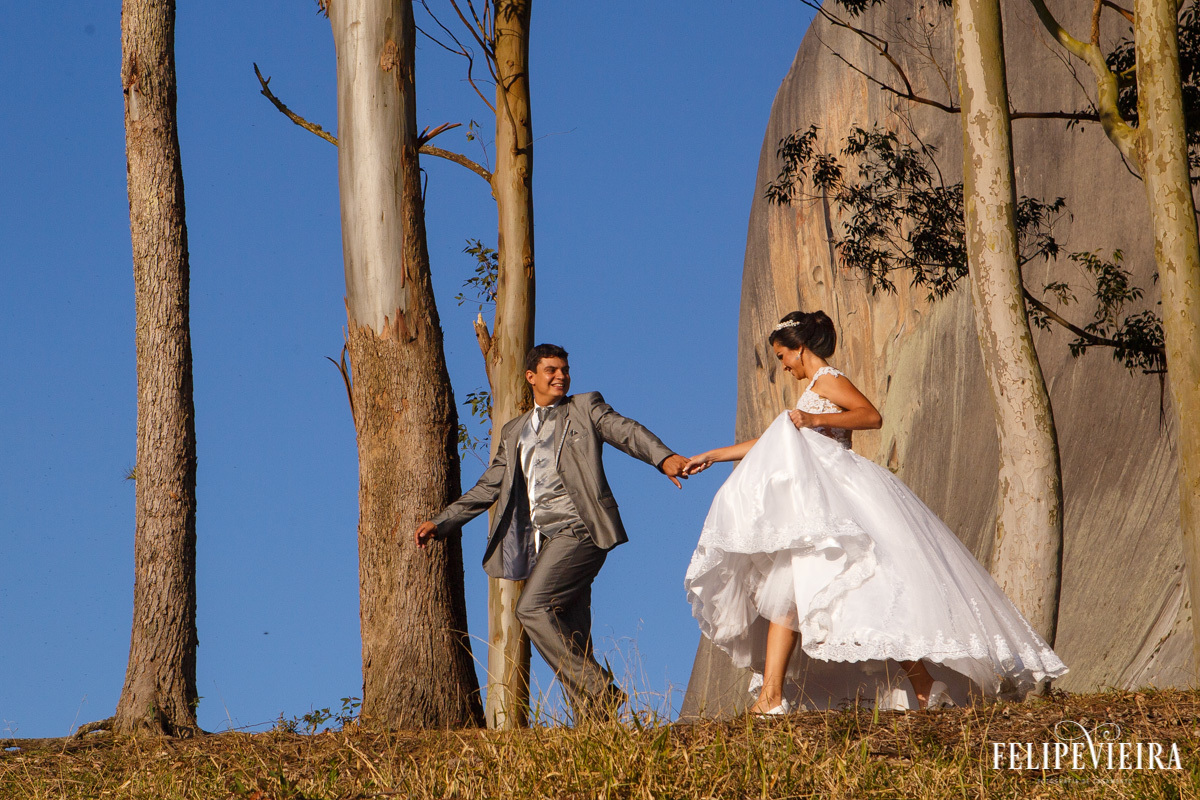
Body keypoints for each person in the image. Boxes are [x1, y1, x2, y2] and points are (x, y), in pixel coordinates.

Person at [682, 311, 1067, 713]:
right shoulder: (812, 388)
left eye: (783, 356)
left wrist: (814, 418)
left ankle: (784, 696)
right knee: (801, 594)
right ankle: (796, 695)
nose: (783, 365)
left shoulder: (828, 380)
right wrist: (712, 455)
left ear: (800, 348)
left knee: (836, 592)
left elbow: (870, 416)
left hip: (839, 496)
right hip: (816, 503)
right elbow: (770, 442)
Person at [415, 343, 690, 719]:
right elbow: (489, 486)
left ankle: (599, 689)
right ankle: (596, 726)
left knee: (531, 608)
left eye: (564, 369)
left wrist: (663, 457)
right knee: (572, 634)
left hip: (582, 528)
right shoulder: (515, 432)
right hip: (546, 541)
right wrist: (442, 522)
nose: (561, 376)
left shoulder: (584, 407)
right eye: (551, 370)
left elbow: (625, 430)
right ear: (531, 377)